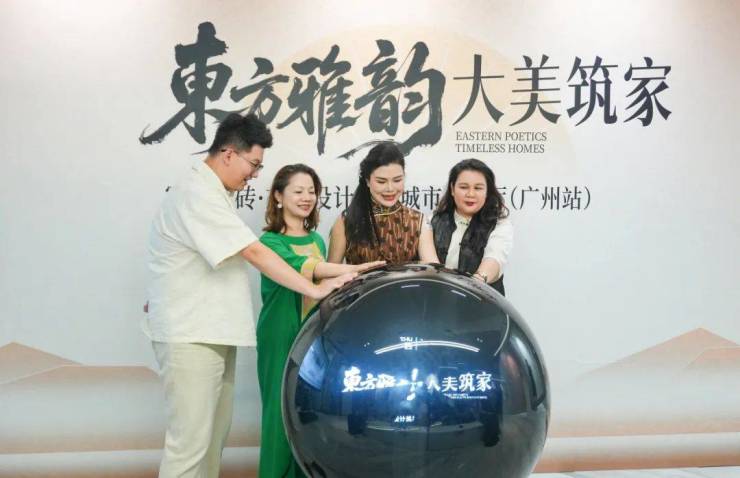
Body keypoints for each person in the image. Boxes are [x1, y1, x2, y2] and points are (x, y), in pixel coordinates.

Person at [143, 114, 354, 478]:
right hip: (189, 335)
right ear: (229, 154)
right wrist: (313, 288)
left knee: (211, 440)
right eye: (254, 164)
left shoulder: (214, 193)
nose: (254, 175)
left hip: (210, 332)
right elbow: (254, 252)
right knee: (189, 446)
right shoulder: (197, 193)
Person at [257, 164, 382, 478]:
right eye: (298, 191)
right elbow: (309, 267)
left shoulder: (316, 238)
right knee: (278, 411)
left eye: (311, 191)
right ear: (278, 196)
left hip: (311, 335)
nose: (306, 198)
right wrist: (354, 268)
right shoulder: (269, 242)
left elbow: (321, 275)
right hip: (280, 332)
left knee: (305, 410)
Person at [328, 142, 437, 265]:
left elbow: (432, 268)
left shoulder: (418, 221)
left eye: (397, 180)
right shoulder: (346, 220)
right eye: (381, 181)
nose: (390, 188)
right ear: (367, 181)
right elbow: (332, 271)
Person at [430, 158, 512, 295]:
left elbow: (495, 257)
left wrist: (477, 280)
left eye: (478, 188)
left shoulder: (500, 224)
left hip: (481, 301)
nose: (470, 194)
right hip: (439, 301)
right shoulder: (433, 220)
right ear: (452, 189)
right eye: (464, 187)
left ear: (487, 191)